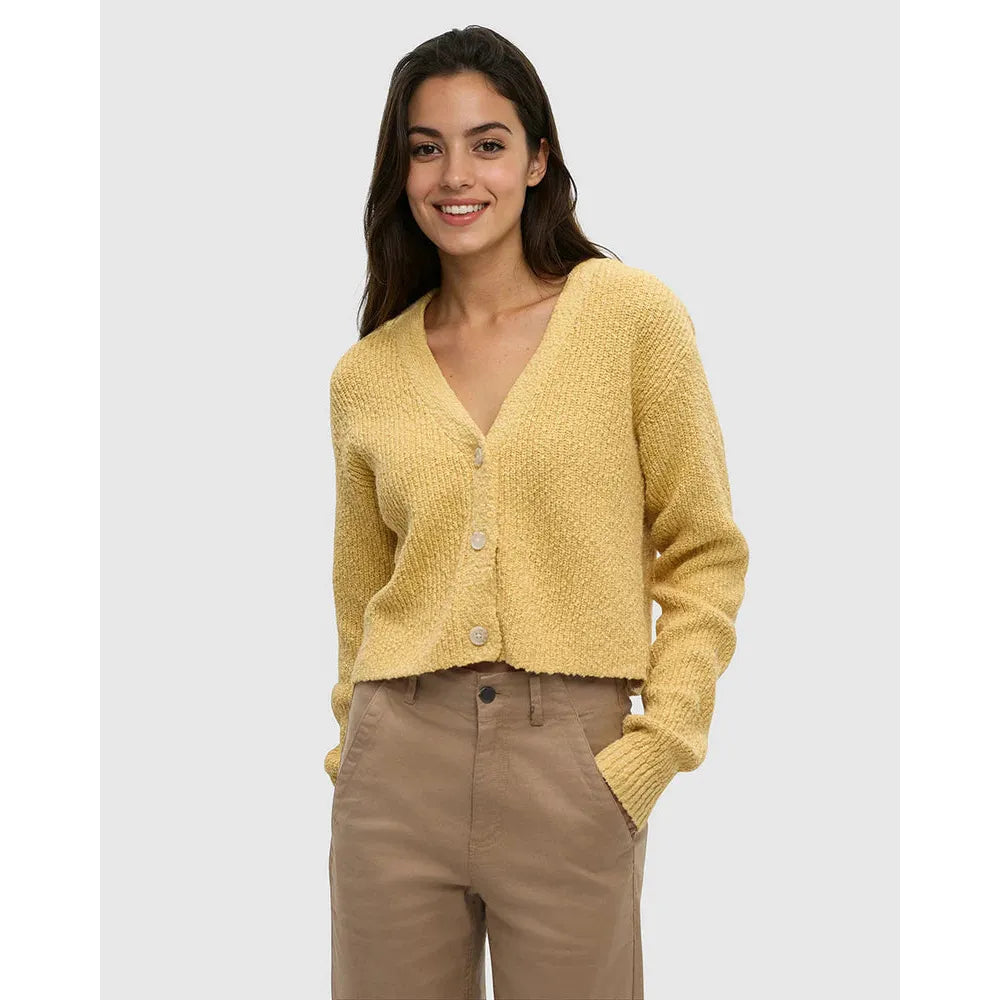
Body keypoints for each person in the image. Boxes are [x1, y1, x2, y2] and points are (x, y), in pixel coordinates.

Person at [324, 25, 750, 1000]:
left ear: (536, 159)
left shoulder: (630, 317)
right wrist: (357, 755)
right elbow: (359, 594)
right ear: (399, 170)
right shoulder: (366, 374)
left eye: (487, 143)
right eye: (425, 148)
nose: (454, 175)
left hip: (572, 763)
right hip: (396, 770)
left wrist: (656, 746)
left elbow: (703, 550)